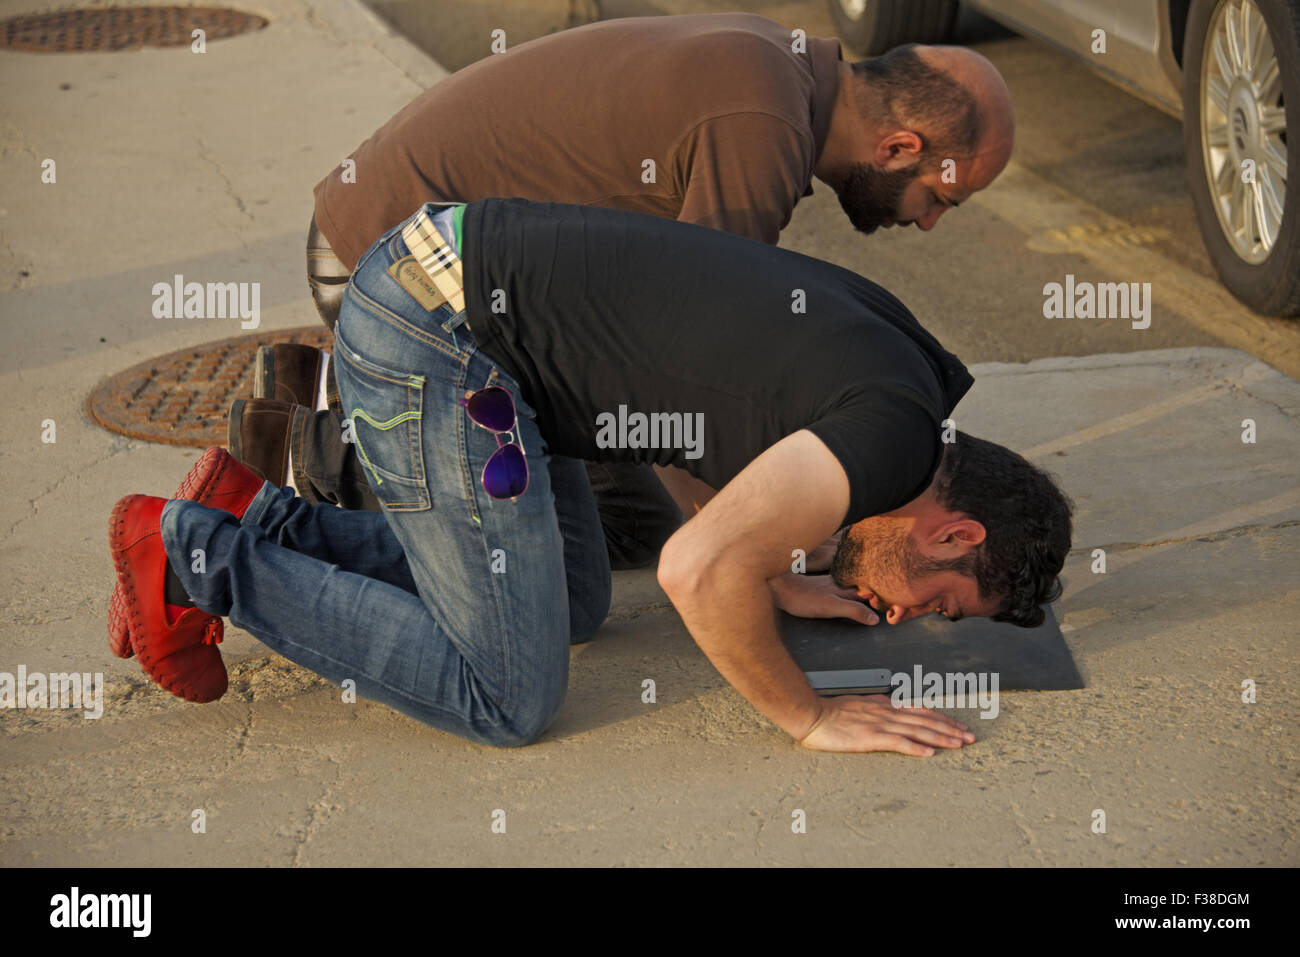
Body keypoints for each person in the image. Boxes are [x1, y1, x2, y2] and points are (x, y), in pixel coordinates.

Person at [108, 199, 1070, 755]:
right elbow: (696, 567)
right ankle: (193, 555)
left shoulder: (915, 379)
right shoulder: (894, 444)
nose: (906, 620)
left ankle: (263, 520)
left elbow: (686, 428)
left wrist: (772, 567)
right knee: (511, 696)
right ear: (955, 532)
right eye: (939, 605)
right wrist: (809, 716)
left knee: (571, 603)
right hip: (432, 338)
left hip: (470, 309)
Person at [236, 13, 1015, 572]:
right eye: (941, 199)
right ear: (899, 147)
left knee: (641, 525)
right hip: (397, 280)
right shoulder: (757, 126)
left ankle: (341, 395)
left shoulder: (778, 69)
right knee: (554, 553)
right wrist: (755, 538)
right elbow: (686, 369)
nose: (930, 226)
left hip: (441, 265)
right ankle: (323, 459)